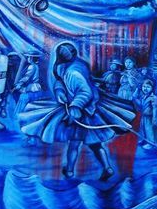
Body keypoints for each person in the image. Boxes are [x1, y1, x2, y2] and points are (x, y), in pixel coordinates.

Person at [19, 42, 134, 180]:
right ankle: (106, 168)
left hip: (83, 112)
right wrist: (60, 91)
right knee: (95, 144)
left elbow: (85, 92)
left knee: (74, 144)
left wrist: (75, 106)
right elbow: (60, 82)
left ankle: (69, 171)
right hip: (84, 110)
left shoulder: (73, 72)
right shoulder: (69, 67)